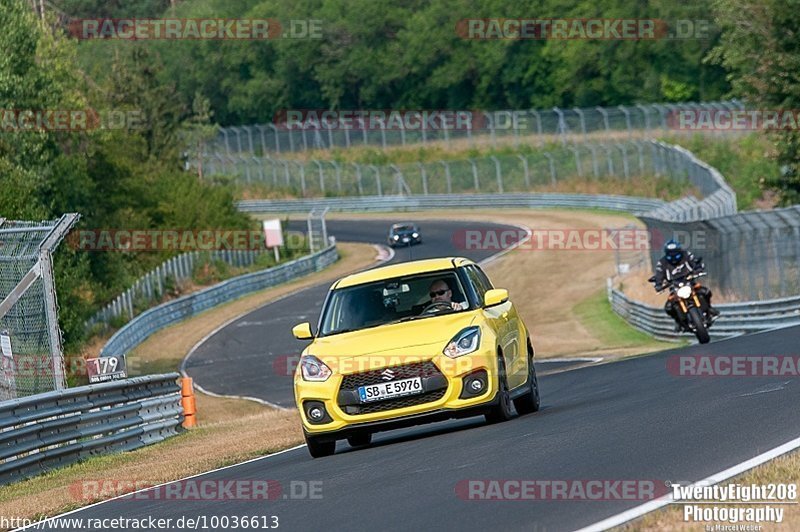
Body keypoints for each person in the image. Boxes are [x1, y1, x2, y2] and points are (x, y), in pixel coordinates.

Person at [653, 240, 719, 329]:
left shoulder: (686, 255)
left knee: (705, 292)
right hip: (674, 287)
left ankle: (709, 309)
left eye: (675, 253)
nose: (673, 256)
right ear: (666, 253)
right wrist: (658, 284)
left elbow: (694, 262)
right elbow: (659, 274)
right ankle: (678, 322)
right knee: (668, 307)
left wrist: (698, 269)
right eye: (670, 254)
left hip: (689, 281)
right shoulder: (662, 263)